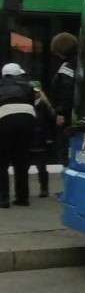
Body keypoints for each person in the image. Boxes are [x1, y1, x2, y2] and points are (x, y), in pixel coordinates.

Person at [0, 63, 37, 208]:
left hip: (5, 118)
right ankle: (22, 197)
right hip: (27, 118)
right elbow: (32, 104)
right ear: (17, 75)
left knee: (2, 161)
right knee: (21, 159)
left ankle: (3, 199)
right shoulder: (27, 86)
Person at [49, 32, 77, 164]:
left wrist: (60, 112)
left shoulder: (68, 67)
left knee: (64, 150)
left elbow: (67, 90)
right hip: (69, 114)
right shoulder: (76, 62)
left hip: (65, 118)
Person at [29, 80, 55, 198]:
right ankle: (22, 189)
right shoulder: (27, 104)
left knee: (42, 167)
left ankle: (44, 188)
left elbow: (50, 123)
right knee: (23, 167)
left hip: (40, 140)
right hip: (28, 140)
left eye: (35, 92)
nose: (33, 94)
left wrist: (49, 138)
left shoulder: (44, 106)